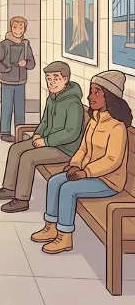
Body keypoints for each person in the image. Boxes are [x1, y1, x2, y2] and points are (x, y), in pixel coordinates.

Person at [31, 70, 131, 254]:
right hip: (87, 173)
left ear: (109, 97)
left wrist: (87, 172)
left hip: (108, 181)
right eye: (91, 91)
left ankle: (64, 236)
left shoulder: (117, 127)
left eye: (96, 92)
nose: (90, 96)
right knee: (55, 181)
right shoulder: (94, 121)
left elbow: (112, 160)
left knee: (68, 189)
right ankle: (50, 225)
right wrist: (76, 163)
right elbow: (83, 148)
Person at [0, 61, 84, 212]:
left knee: (28, 157)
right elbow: (45, 121)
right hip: (47, 141)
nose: (51, 82)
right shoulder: (52, 98)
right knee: (16, 148)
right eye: (48, 78)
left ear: (65, 79)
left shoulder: (73, 103)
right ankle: (9, 188)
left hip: (65, 149)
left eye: (56, 78)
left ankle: (21, 199)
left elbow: (71, 132)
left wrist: (46, 141)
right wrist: (38, 134)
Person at [0, 16, 36, 143]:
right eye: (15, 27)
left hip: (21, 81)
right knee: (7, 107)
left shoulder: (26, 44)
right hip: (7, 81)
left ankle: (20, 132)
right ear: (11, 28)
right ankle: (5, 133)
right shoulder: (4, 44)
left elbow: (32, 63)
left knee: (20, 107)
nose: (18, 30)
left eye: (21, 27)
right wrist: (6, 69)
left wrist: (25, 63)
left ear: (25, 29)